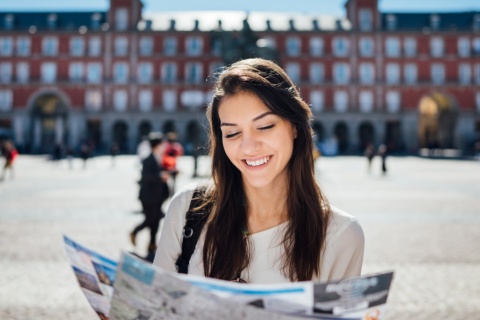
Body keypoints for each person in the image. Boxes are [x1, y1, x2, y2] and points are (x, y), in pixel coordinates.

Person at [153, 58, 364, 283]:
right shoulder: (187, 209)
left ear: (295, 127)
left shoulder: (341, 235)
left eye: (264, 127)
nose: (248, 147)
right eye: (232, 133)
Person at [130, 132, 170, 261]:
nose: (164, 146)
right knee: (151, 220)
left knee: (155, 222)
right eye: (162, 144)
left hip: (157, 197)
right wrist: (160, 176)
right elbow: (146, 177)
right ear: (157, 145)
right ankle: (135, 231)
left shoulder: (158, 157)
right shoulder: (148, 159)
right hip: (148, 197)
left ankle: (151, 248)